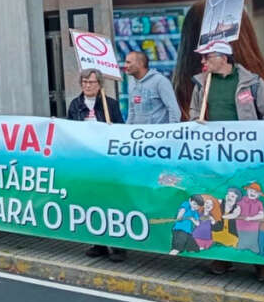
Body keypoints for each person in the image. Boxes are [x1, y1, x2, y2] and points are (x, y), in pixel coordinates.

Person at [67, 69, 125, 260]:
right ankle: (98, 243)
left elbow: (121, 130)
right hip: (86, 161)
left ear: (99, 84)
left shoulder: (111, 105)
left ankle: (118, 245)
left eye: (91, 82)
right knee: (92, 202)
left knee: (112, 202)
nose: (87, 85)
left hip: (106, 161)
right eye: (84, 82)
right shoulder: (75, 105)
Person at [124, 50, 180, 124]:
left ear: (140, 64)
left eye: (128, 62)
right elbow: (132, 112)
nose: (125, 66)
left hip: (158, 134)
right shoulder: (131, 83)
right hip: (139, 133)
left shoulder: (160, 81)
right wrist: (127, 130)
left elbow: (173, 109)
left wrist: (172, 131)